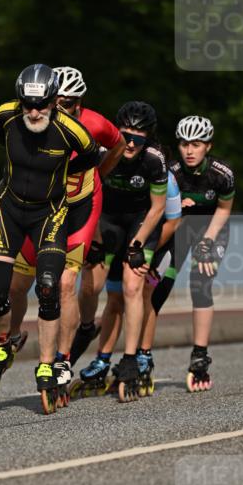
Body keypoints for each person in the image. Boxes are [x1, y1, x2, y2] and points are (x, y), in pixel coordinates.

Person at [0, 63, 101, 413]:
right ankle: (5, 343)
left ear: (53, 101)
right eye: (27, 104)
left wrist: (62, 170)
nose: (34, 112)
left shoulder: (72, 132)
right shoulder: (5, 116)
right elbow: (1, 137)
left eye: (41, 104)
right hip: (9, 208)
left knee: (48, 287)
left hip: (49, 213)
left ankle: (46, 363)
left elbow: (91, 158)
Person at [7, 66, 125, 404]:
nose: (63, 109)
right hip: (46, 207)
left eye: (71, 103)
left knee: (64, 284)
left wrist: (98, 172)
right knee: (18, 283)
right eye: (58, 102)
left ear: (80, 102)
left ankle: (62, 361)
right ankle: (12, 337)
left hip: (83, 204)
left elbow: (117, 145)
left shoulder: (95, 123)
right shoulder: (37, 120)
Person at [72, 101, 169, 402]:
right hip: (108, 220)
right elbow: (87, 196)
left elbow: (158, 208)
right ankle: (87, 333)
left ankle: (129, 358)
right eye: (126, 135)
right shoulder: (103, 152)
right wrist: (96, 239)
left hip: (141, 221)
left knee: (132, 286)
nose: (131, 143)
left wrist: (138, 245)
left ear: (149, 138)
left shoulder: (155, 159)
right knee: (92, 286)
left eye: (139, 138)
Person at [71, 168, 181, 399]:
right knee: (114, 300)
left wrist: (146, 252)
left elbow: (173, 222)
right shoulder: (111, 165)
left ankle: (143, 356)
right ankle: (102, 360)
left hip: (158, 243)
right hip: (127, 240)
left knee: (144, 293)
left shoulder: (164, 176)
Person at [148, 115, 235, 392]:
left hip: (212, 230)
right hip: (180, 230)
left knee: (200, 284)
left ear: (208, 146)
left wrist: (207, 242)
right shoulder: (171, 171)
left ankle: (200, 356)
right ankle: (142, 356)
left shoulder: (222, 173)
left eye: (196, 144)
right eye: (185, 144)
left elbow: (223, 209)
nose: (189, 150)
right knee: (156, 287)